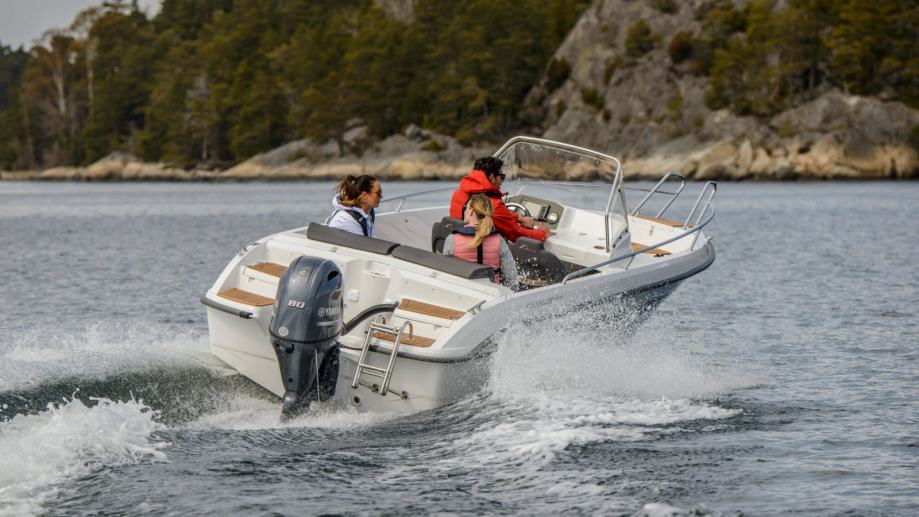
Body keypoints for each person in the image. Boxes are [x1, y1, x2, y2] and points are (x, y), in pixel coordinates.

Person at [449, 156, 548, 242]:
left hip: (459, 246)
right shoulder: (493, 204)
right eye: (501, 177)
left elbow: (499, 216)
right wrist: (543, 233)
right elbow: (517, 234)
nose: (502, 181)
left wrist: (519, 218)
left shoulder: (457, 193)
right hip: (479, 252)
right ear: (492, 177)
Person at [443, 194, 519, 291]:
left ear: (471, 210)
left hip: (461, 292)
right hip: (491, 293)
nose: (464, 212)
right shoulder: (498, 239)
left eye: (466, 208)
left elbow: (444, 275)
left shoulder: (452, 239)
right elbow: (511, 276)